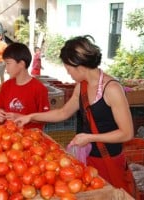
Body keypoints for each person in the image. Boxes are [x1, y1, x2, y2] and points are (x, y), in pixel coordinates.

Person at [15, 35, 134, 183]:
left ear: (79, 66)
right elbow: (63, 112)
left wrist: (91, 137)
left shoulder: (112, 89)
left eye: (68, 68)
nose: (68, 73)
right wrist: (31, 116)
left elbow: (127, 133)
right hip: (86, 157)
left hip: (109, 160)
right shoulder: (82, 85)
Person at [0, 42, 50, 130]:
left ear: (21, 64)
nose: (6, 68)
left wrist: (22, 117)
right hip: (8, 137)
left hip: (30, 139)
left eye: (8, 63)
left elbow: (45, 117)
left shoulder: (39, 89)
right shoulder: (6, 86)